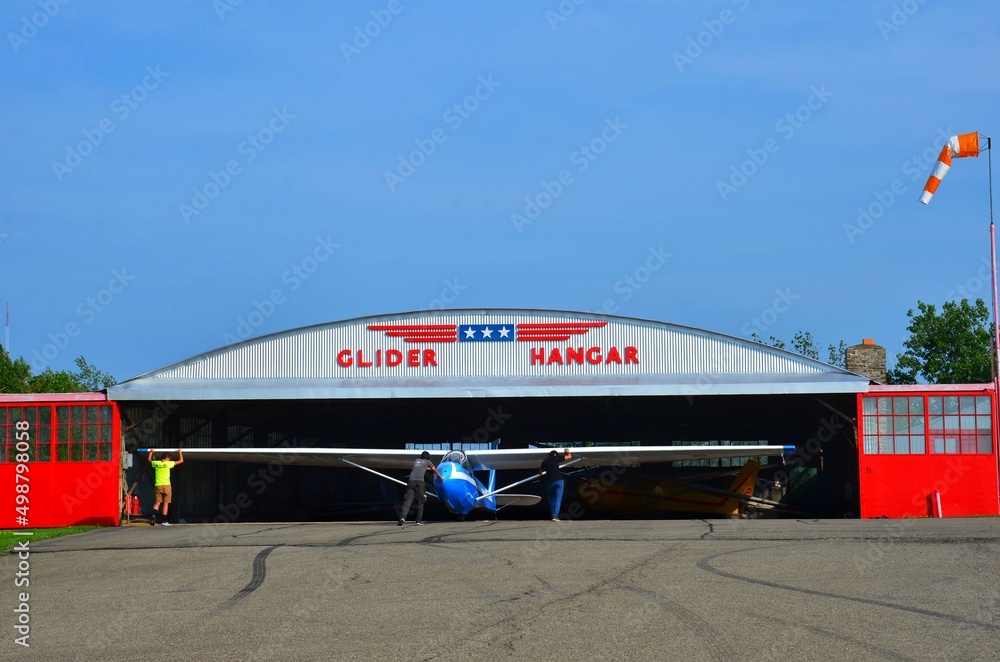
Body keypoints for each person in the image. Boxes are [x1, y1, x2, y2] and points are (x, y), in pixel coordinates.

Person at [396, 451, 442, 526]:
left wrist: (428, 469)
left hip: (411, 482)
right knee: (421, 501)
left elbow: (421, 467)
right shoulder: (428, 461)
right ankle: (418, 521)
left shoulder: (416, 461)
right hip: (420, 483)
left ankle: (402, 518)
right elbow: (434, 470)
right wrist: (441, 477)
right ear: (427, 457)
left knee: (407, 501)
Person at [147, 448, 183, 525]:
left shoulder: (156, 463)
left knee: (157, 503)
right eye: (169, 459)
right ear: (167, 458)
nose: (169, 460)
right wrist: (180, 452)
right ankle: (164, 521)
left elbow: (149, 460)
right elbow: (181, 461)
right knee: (166, 503)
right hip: (167, 485)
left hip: (158, 485)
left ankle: (153, 515)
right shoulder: (168, 464)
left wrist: (151, 452)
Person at [539, 448, 572, 521]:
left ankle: (552, 515)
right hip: (559, 480)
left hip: (550, 482)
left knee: (551, 499)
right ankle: (555, 516)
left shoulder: (545, 461)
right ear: (555, 455)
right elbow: (569, 457)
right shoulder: (556, 458)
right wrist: (568, 452)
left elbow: (540, 473)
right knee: (558, 499)